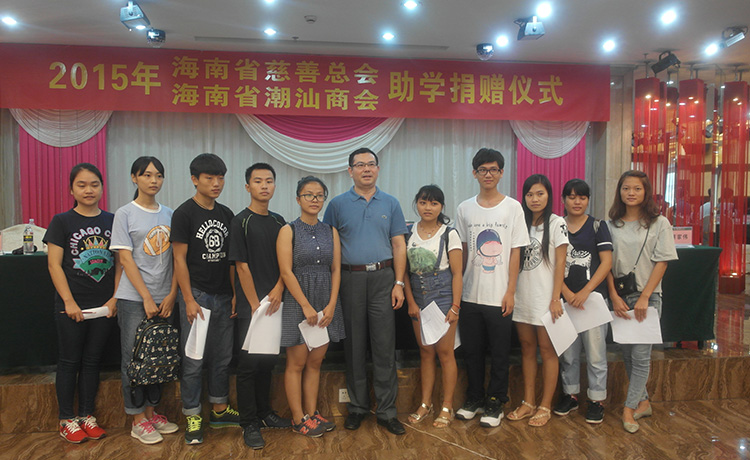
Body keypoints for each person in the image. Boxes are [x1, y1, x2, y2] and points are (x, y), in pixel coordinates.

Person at [323, 147, 408, 436]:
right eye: (360, 165)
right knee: (354, 346)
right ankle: (358, 408)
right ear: (350, 171)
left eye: (371, 164)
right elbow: (330, 246)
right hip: (351, 279)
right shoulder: (337, 205)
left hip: (384, 278)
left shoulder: (391, 203)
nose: (366, 169)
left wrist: (399, 283)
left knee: (384, 347)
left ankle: (387, 411)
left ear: (378, 169)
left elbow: (399, 244)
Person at [44, 163, 120, 443]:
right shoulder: (61, 221)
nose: (89, 190)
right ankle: (66, 420)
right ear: (71, 189)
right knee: (69, 361)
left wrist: (114, 299)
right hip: (71, 305)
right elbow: (54, 265)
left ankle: (87, 416)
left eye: (94, 184)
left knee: (92, 361)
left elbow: (121, 263)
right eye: (82, 185)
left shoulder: (113, 220)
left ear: (102, 188)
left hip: (104, 306)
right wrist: (69, 301)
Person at [455, 148, 530, 428]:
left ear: (501, 172)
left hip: (500, 296)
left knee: (499, 353)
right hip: (470, 294)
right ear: (474, 173)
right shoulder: (464, 208)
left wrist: (510, 291)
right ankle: (474, 398)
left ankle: (496, 401)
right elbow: (462, 252)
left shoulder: (513, 207)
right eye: (483, 170)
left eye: (494, 169)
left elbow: (515, 252)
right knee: (472, 352)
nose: (488, 174)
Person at [111, 156, 180, 444]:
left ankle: (152, 413)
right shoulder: (125, 213)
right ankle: (137, 419)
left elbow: (178, 259)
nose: (153, 180)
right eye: (147, 175)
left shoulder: (170, 214)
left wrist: (172, 294)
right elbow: (125, 259)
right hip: (134, 298)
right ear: (134, 178)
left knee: (158, 357)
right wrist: (147, 298)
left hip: (165, 298)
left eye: (158, 175)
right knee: (135, 359)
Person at [171, 153, 238, 445]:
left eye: (220, 178)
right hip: (197, 295)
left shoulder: (226, 213)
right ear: (194, 180)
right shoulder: (184, 213)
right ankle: (193, 414)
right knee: (194, 359)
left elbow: (233, 260)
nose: (216, 183)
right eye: (209, 178)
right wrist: (187, 298)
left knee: (222, 357)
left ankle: (220, 409)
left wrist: (234, 294)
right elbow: (179, 259)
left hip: (223, 295)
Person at [606, 170, 677, 434]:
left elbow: (663, 261)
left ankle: (628, 408)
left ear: (646, 192)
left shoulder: (659, 223)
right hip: (620, 298)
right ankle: (643, 402)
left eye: (637, 188)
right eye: (626, 188)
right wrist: (613, 296)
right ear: (620, 191)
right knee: (627, 354)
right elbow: (606, 264)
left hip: (648, 298)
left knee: (640, 356)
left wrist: (646, 296)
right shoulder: (611, 225)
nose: (631, 193)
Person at [229, 163, 292, 449]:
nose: (264, 186)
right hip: (251, 306)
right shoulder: (240, 221)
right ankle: (249, 422)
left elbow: (285, 263)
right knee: (248, 365)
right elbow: (241, 266)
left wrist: (278, 289)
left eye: (269, 181)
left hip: (276, 302)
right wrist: (255, 304)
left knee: (268, 362)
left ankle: (265, 413)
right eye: (258, 181)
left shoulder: (280, 222)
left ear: (274, 186)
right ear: (248, 186)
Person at [278, 176, 345, 437]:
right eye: (308, 195)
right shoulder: (288, 230)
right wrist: (305, 305)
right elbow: (286, 271)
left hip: (325, 301)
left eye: (319, 195)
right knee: (296, 363)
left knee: (316, 362)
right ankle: (298, 418)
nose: (314, 199)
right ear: (298, 199)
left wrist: (332, 304)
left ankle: (312, 413)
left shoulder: (331, 231)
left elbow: (336, 269)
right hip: (299, 301)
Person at [506, 174, 568, 427]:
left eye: (540, 193)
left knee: (547, 351)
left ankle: (545, 405)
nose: (534, 199)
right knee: (527, 348)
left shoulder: (557, 223)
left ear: (549, 195)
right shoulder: (520, 222)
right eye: (530, 194)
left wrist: (556, 298)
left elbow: (561, 263)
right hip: (523, 297)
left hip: (546, 299)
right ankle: (528, 402)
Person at [553, 179, 612, 424]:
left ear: (588, 200)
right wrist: (565, 292)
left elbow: (606, 263)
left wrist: (586, 291)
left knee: (596, 354)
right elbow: (552, 264)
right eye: (572, 196)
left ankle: (597, 400)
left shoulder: (598, 226)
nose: (577, 202)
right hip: (564, 302)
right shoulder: (556, 225)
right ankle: (571, 395)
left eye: (582, 197)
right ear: (563, 199)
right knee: (568, 353)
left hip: (593, 302)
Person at [403, 185, 462, 428]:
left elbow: (457, 274)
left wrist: (455, 306)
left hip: (444, 297)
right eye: (423, 202)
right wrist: (411, 301)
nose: (428, 207)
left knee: (445, 353)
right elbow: (404, 272)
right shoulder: (407, 233)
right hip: (418, 298)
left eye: (434, 203)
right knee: (425, 352)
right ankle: (425, 404)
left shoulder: (450, 233)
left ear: (441, 207)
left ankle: (447, 406)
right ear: (416, 203)